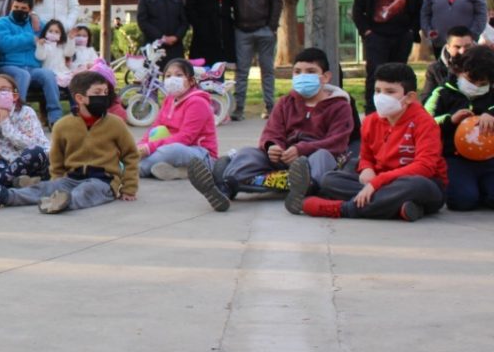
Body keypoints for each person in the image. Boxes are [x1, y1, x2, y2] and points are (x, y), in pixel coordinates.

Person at [189, 48, 353, 213]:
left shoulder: (339, 106)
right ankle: (225, 187)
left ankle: (305, 190)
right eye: (297, 72)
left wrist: (301, 150)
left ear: (325, 77)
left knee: (322, 157)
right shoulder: (285, 102)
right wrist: (272, 147)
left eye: (310, 72)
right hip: (285, 156)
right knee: (247, 153)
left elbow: (337, 141)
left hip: (313, 158)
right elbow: (272, 132)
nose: (302, 76)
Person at [289, 63, 446, 221]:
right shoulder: (371, 121)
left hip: (417, 183)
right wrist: (367, 168)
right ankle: (398, 208)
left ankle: (342, 208)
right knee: (329, 179)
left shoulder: (424, 122)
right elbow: (366, 156)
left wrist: (377, 183)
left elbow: (425, 167)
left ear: (410, 97)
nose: (381, 97)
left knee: (417, 186)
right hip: (380, 180)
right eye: (378, 91)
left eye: (390, 92)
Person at [0, 70, 139, 213]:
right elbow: (56, 159)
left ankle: (63, 202)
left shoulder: (115, 123)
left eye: (105, 92)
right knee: (43, 188)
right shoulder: (63, 125)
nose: (103, 97)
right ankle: (3, 196)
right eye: (97, 92)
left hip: (103, 181)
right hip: (71, 177)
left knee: (86, 191)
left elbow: (131, 155)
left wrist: (129, 188)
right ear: (80, 98)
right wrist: (57, 180)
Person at [353, 0, 425, 114]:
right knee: (375, 74)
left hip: (401, 37)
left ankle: (399, 109)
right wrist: (367, 32)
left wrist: (411, 32)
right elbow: (357, 9)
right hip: (376, 37)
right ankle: (373, 111)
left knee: (399, 76)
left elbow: (420, 10)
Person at [424, 45, 494, 211]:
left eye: (482, 83)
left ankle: (485, 191)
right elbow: (425, 124)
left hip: (489, 160)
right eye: (471, 80)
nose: (476, 85)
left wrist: (491, 113)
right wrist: (450, 120)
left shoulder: (491, 93)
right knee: (463, 201)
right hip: (455, 159)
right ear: (459, 71)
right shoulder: (442, 93)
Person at [230, 0, 282, 121]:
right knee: (241, 71)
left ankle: (270, 107)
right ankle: (239, 108)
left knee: (267, 70)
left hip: (264, 29)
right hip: (242, 29)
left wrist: (272, 26)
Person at [137, 59, 218, 181]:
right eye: (168, 76)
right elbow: (156, 125)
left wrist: (149, 148)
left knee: (173, 150)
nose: (172, 79)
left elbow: (185, 138)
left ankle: (133, 170)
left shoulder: (198, 103)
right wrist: (141, 146)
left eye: (179, 75)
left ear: (191, 81)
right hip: (171, 146)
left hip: (201, 154)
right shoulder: (169, 99)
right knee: (150, 149)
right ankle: (180, 171)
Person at [0, 0, 64, 125]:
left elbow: (52, 34)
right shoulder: (1, 23)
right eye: (15, 7)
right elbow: (3, 45)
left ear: (30, 10)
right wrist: (30, 39)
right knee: (23, 74)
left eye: (23, 8)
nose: (18, 10)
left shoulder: (37, 24)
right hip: (9, 66)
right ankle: (17, 115)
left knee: (48, 74)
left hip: (33, 67)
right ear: (11, 7)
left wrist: (35, 16)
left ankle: (55, 118)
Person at [136, 0, 188, 65]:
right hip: (153, 46)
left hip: (175, 47)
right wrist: (161, 37)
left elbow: (184, 22)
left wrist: (176, 37)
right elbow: (142, 21)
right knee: (151, 77)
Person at [422, 26, 476, 103]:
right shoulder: (435, 69)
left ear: (473, 45)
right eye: (457, 47)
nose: (462, 51)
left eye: (467, 46)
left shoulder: (487, 65)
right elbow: (426, 101)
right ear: (448, 47)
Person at [35, 19, 73, 83]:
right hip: (50, 73)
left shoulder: (62, 46)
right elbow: (40, 57)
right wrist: (40, 46)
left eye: (57, 32)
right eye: (50, 31)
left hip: (63, 72)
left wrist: (71, 39)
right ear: (45, 32)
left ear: (61, 34)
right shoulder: (44, 45)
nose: (53, 33)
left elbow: (68, 53)